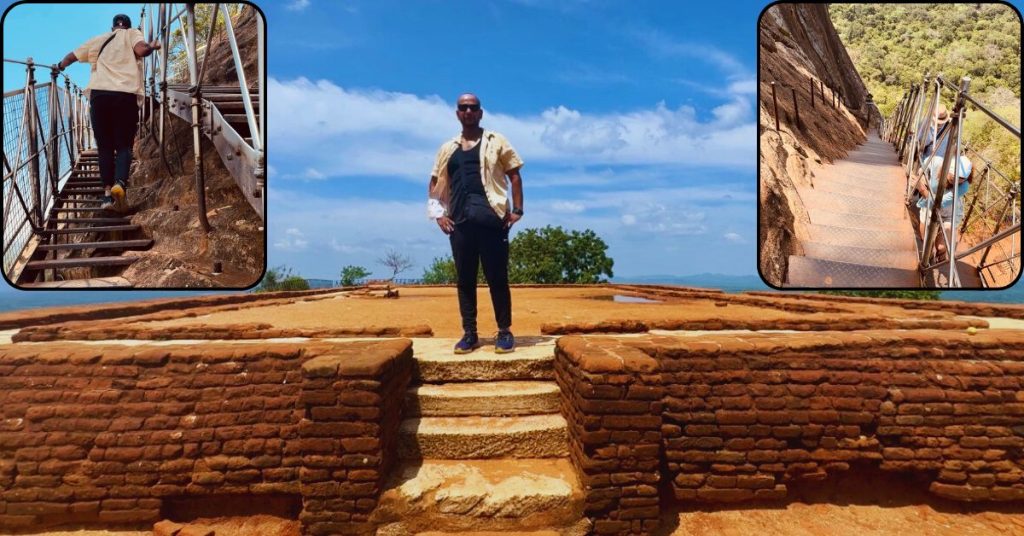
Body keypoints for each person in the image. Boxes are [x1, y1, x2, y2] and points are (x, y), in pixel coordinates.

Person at [427, 93, 524, 354]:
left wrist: (518, 211)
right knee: (465, 280)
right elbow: (435, 182)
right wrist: (438, 214)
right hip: (459, 223)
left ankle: (504, 332)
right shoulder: (448, 149)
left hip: (493, 222)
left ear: (480, 113)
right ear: (457, 113)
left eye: (473, 107)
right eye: (463, 107)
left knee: (497, 278)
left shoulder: (496, 142)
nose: (468, 111)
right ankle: (470, 334)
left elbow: (515, 175)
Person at [57, 14, 160, 211]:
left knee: (104, 147)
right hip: (125, 96)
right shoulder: (132, 33)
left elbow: (70, 57)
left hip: (99, 96)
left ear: (112, 27)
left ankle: (106, 197)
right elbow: (141, 49)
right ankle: (119, 184)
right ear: (128, 26)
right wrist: (151, 46)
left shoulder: (98, 39)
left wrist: (59, 66)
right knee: (123, 146)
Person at [916, 154, 973, 262]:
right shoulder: (937, 162)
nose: (956, 180)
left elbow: (939, 203)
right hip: (929, 205)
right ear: (947, 169)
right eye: (953, 175)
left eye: (960, 178)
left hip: (949, 210)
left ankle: (940, 256)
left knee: (941, 247)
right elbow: (925, 164)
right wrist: (922, 175)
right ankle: (927, 256)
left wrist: (923, 190)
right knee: (927, 240)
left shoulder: (964, 185)